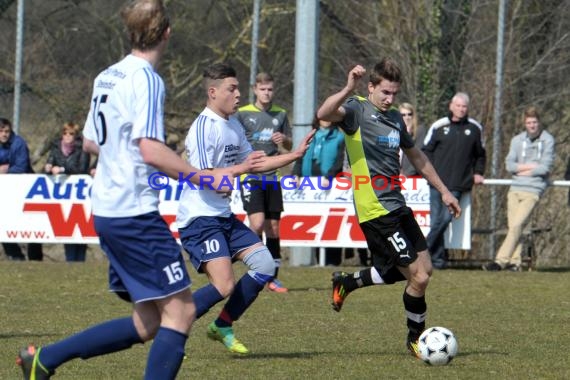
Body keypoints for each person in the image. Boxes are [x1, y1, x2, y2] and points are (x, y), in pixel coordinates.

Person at [16, 1, 232, 379]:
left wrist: (121, 153)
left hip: (107, 209)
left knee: (149, 321)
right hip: (133, 213)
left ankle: (44, 359)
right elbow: (149, 149)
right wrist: (204, 176)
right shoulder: (146, 79)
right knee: (181, 311)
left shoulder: (107, 75)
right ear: (166, 33)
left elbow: (88, 141)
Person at [316, 59, 461, 358]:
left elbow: (417, 156)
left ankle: (348, 282)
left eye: (394, 93)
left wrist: (444, 190)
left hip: (398, 205)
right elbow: (324, 113)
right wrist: (347, 87)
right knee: (417, 277)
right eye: (384, 92)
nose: (389, 99)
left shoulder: (395, 118)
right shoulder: (356, 109)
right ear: (371, 87)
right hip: (375, 210)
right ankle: (415, 339)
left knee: (425, 270)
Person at [176, 63, 313, 354]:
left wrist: (294, 154)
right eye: (232, 89)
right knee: (224, 285)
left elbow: (257, 163)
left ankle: (223, 324)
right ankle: (174, 322)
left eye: (238, 88)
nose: (238, 94)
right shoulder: (203, 127)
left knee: (264, 264)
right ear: (213, 93)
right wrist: (240, 169)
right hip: (200, 220)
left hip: (223, 217)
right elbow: (207, 177)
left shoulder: (233, 124)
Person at [236, 72, 292, 293]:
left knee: (274, 228)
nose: (267, 93)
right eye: (263, 89)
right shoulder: (242, 114)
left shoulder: (280, 114)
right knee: (257, 224)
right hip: (250, 176)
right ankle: (255, 269)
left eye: (270, 89)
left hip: (272, 177)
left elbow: (288, 146)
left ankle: (272, 278)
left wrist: (284, 140)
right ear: (255, 89)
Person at [482, 106, 555, 272]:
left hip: (533, 190)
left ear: (539, 123)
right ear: (525, 123)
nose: (532, 125)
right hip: (515, 188)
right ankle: (515, 263)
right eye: (529, 122)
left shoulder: (548, 140)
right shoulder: (517, 140)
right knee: (514, 227)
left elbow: (545, 168)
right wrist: (531, 167)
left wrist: (522, 169)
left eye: (534, 122)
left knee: (517, 225)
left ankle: (499, 261)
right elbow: (510, 165)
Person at [422, 92, 486, 269]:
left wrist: (478, 172)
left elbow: (481, 155)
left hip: (458, 184)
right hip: (436, 183)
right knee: (436, 221)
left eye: (464, 106)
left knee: (444, 220)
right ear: (451, 106)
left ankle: (421, 251)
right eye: (458, 105)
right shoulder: (439, 125)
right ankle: (437, 261)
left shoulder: (474, 128)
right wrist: (429, 172)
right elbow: (426, 151)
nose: (461, 109)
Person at [292, 115, 345, 265]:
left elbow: (340, 160)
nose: (327, 119)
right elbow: (300, 157)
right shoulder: (310, 136)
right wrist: (296, 173)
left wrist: (330, 175)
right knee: (315, 220)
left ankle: (332, 261)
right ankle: (317, 259)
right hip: (309, 184)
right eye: (323, 116)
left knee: (333, 221)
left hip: (330, 183)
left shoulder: (340, 137)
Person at [44, 122, 91, 262]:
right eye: (65, 133)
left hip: (78, 193)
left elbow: (82, 168)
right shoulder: (56, 149)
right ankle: (70, 260)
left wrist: (63, 170)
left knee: (79, 229)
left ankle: (80, 261)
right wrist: (48, 168)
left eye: (71, 134)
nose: (68, 136)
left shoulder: (82, 149)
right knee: (66, 230)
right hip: (62, 194)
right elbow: (50, 163)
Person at [0, 117, 44, 261]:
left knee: (32, 225)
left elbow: (21, 167)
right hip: (4, 192)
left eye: (7, 131)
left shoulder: (18, 143)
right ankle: (16, 256)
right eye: (1, 131)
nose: (4, 134)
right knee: (4, 225)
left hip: (24, 189)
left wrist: (6, 170)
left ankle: (35, 259)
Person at [399, 102, 426, 177]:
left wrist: (406, 174)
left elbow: (418, 155)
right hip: (395, 174)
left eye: (409, 114)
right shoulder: (394, 130)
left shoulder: (419, 130)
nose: (407, 117)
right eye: (403, 115)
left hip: (413, 176)